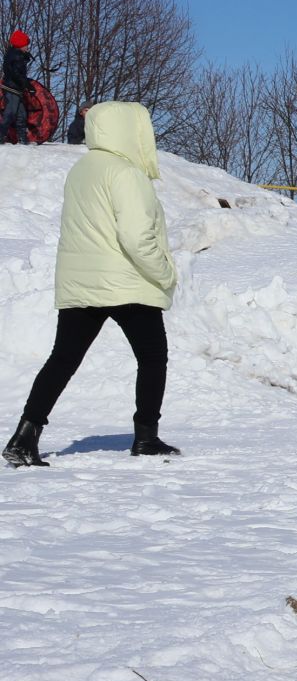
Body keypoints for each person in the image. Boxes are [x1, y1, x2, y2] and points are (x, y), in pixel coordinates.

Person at [5, 102, 180, 467]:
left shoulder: (80, 170)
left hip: (81, 283)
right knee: (152, 358)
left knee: (63, 359)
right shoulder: (127, 173)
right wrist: (164, 273)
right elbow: (135, 236)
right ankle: (146, 436)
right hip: (126, 283)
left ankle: (25, 435)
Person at [2, 30, 31, 146]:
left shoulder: (15, 55)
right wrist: (25, 84)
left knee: (21, 115)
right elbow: (16, 73)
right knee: (10, 114)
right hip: (12, 88)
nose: (27, 47)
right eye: (26, 45)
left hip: (16, 89)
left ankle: (22, 140)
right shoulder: (16, 56)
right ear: (20, 44)